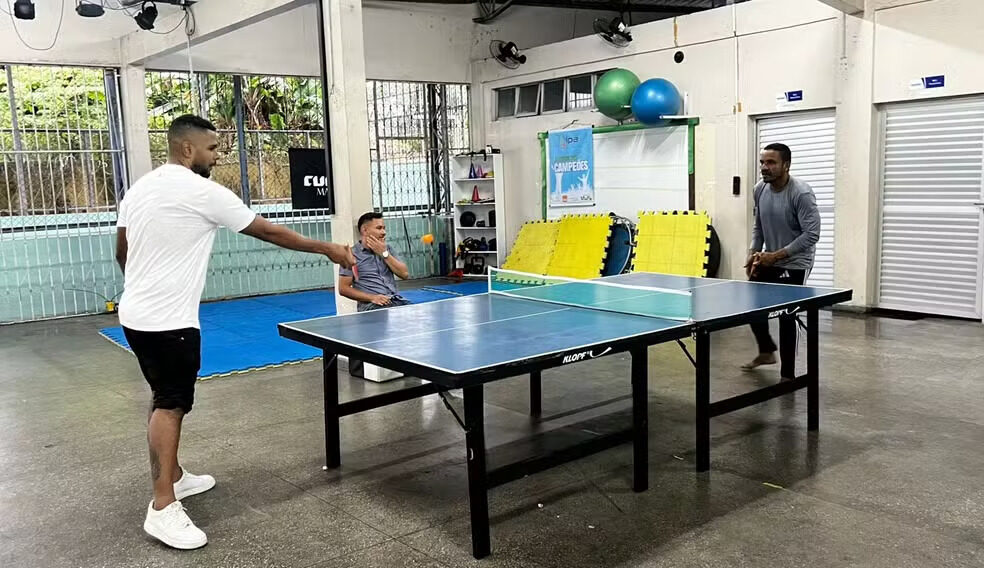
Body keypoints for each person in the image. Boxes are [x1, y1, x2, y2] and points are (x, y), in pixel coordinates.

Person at [114, 114, 355, 550]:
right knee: (171, 404)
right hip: (168, 321)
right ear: (187, 148)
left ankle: (174, 476)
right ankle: (163, 506)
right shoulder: (202, 192)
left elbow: (122, 251)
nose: (217, 156)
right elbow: (268, 231)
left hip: (136, 314)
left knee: (162, 396)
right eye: (212, 149)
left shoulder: (139, 188)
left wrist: (143, 287)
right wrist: (327, 248)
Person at [743, 142, 821, 380]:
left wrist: (775, 255)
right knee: (752, 306)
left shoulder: (801, 193)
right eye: (762, 162)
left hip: (795, 263)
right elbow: (759, 225)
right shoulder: (759, 189)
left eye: (771, 162)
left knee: (787, 316)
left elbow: (812, 234)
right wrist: (753, 252)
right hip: (768, 259)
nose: (764, 167)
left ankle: (788, 376)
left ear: (786, 165)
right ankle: (766, 351)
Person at [337, 211, 412, 377]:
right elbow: (343, 288)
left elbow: (405, 274)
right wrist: (373, 297)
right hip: (371, 306)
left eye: (384, 228)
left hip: (396, 301)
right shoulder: (351, 255)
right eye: (379, 228)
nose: (383, 232)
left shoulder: (388, 249)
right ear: (365, 230)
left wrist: (384, 254)